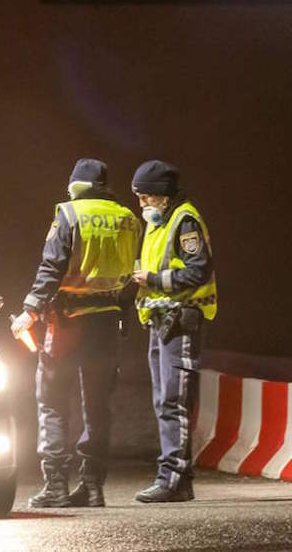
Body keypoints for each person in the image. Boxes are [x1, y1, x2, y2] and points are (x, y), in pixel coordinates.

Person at [11, 159, 140, 508]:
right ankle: (93, 486)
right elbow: (132, 278)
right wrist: (122, 319)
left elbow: (52, 266)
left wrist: (30, 309)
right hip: (107, 323)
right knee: (97, 407)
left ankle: (55, 486)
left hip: (68, 323)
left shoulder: (69, 214)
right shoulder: (129, 219)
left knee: (52, 402)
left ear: (77, 185)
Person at [131, 160, 216, 503]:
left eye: (146, 198)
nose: (142, 205)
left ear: (163, 197)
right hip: (161, 322)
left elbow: (197, 271)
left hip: (181, 321)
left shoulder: (185, 221)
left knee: (173, 401)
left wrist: (152, 280)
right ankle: (172, 476)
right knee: (162, 401)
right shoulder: (159, 224)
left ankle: (175, 480)